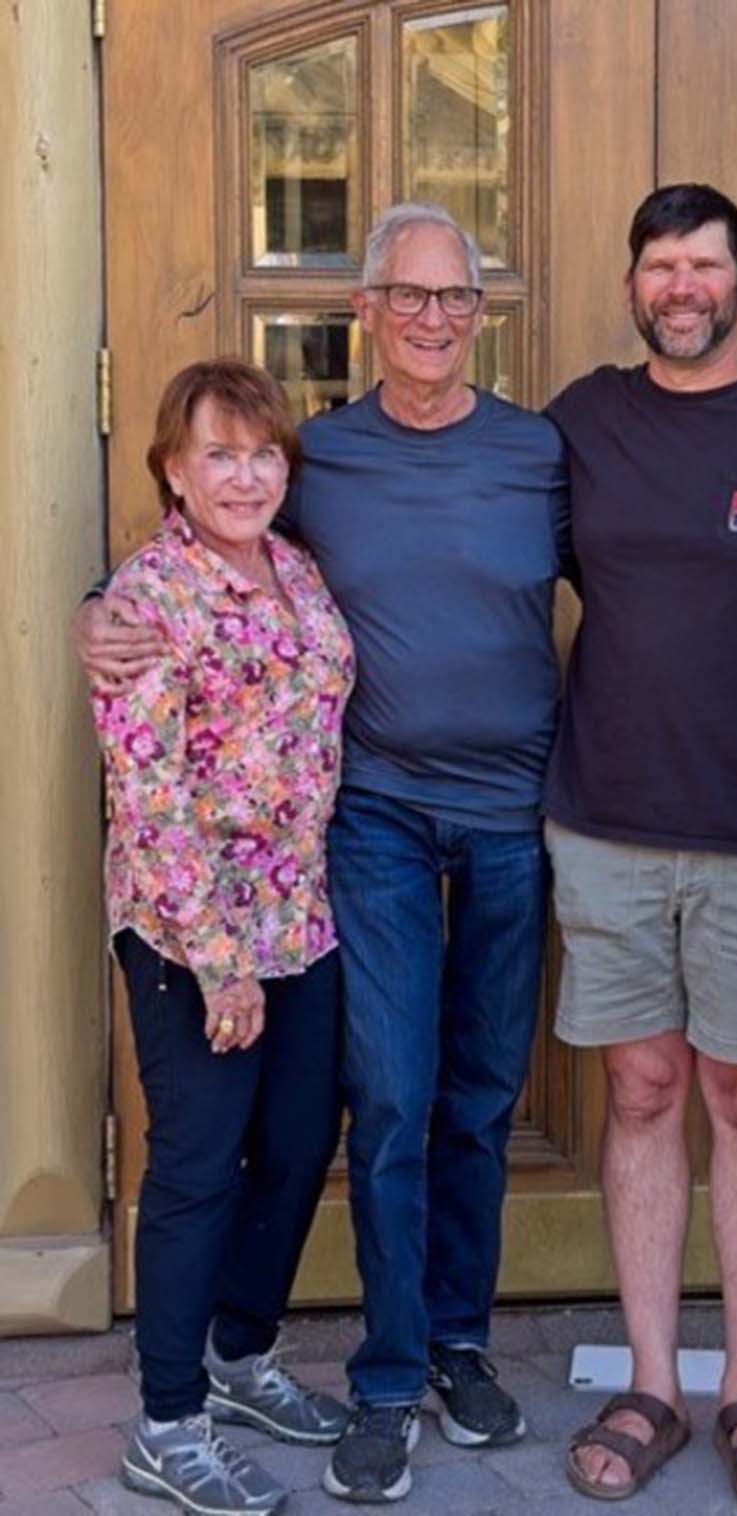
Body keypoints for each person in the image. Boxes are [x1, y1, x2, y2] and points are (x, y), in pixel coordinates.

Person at [77, 203, 569, 1505]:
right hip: (360, 841)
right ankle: (376, 1376)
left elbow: (641, 583)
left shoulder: (527, 458)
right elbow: (160, 663)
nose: (429, 319)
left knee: (461, 1102)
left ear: (480, 313)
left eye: (452, 298)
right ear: (365, 311)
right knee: (388, 1103)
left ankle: (440, 1344)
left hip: (491, 825)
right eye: (405, 296)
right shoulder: (316, 469)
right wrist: (97, 612)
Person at [546, 183, 737, 1511]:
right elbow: (439, 547)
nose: (680, 287)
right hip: (605, 819)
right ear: (633, 285)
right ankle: (654, 1383)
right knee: (641, 1094)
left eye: (704, 266)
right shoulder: (579, 423)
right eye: (658, 266)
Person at [90, 360, 355, 1515]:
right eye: (218, 454)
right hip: (186, 927)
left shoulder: (294, 570)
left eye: (262, 454)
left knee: (299, 1144)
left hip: (301, 915)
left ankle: (240, 1355)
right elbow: (146, 792)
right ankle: (167, 1420)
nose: (244, 475)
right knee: (197, 1170)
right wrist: (215, 958)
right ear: (172, 469)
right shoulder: (146, 601)